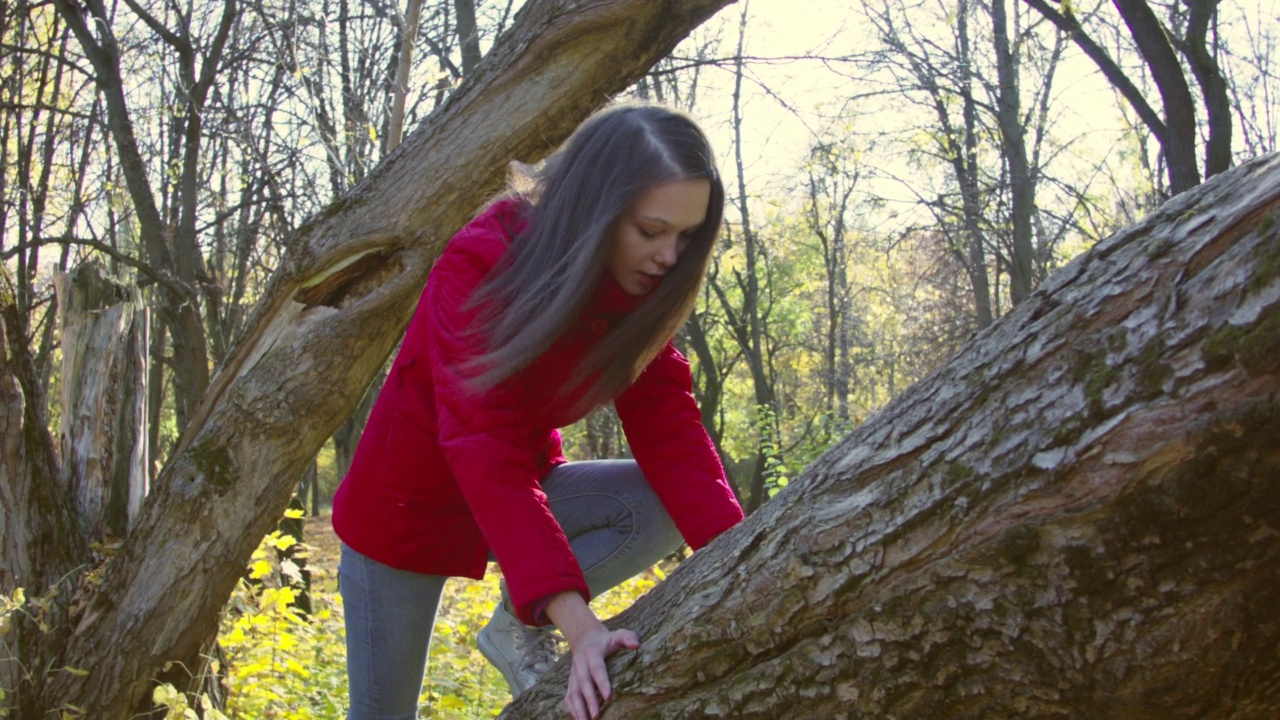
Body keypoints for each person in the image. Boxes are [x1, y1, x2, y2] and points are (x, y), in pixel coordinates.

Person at [331, 103, 745, 720]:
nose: (668, 257)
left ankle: (514, 625)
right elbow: (482, 440)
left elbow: (670, 425)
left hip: (524, 490)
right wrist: (580, 627)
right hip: (402, 514)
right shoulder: (483, 258)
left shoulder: (638, 290)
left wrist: (741, 563)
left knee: (654, 502)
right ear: (594, 207)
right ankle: (540, 611)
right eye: (651, 231)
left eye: (686, 237)